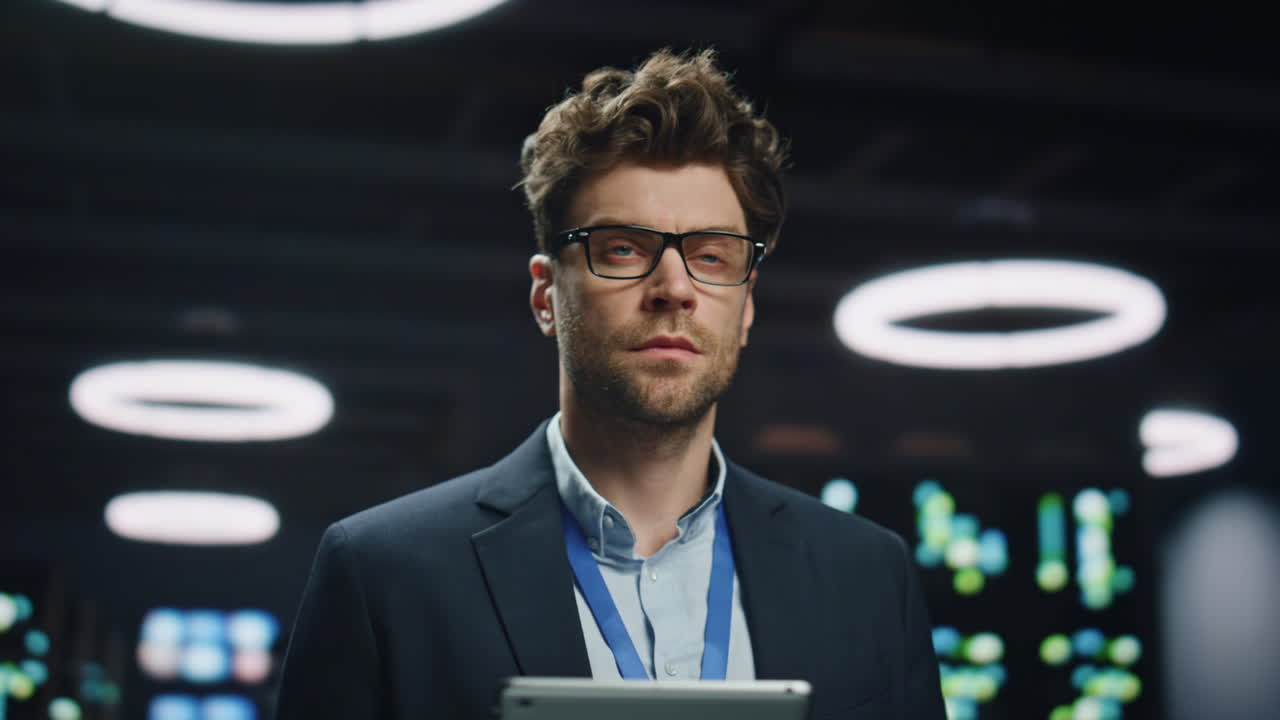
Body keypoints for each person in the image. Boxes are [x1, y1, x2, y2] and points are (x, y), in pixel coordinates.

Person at [275, 48, 945, 720]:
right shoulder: (382, 573)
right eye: (623, 248)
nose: (675, 289)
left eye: (713, 256)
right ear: (546, 297)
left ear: (745, 305)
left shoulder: (867, 576)